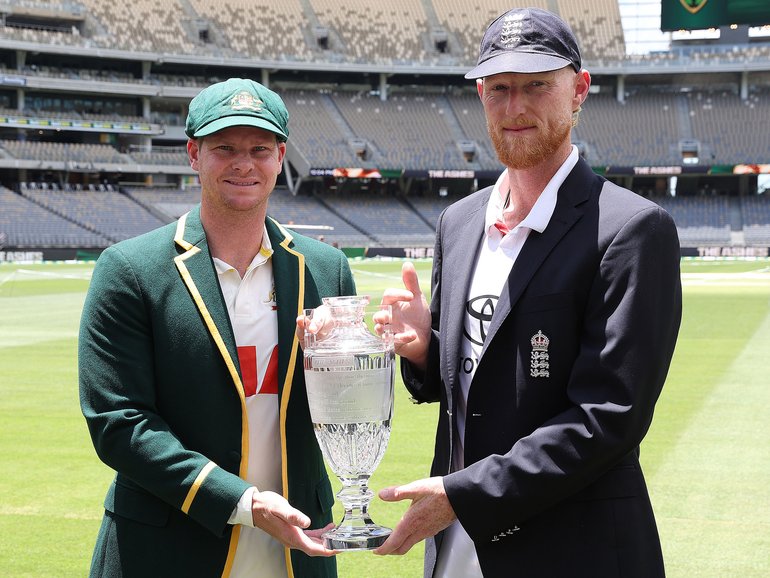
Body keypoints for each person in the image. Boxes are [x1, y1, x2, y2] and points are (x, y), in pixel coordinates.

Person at [373, 8, 682, 578]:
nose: (515, 107)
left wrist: (466, 495)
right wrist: (424, 350)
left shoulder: (632, 229)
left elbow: (607, 417)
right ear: (481, 96)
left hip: (573, 553)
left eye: (537, 85)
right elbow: (481, 385)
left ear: (579, 90)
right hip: (457, 555)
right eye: (499, 88)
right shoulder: (458, 223)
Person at [79, 78, 353, 577]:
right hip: (168, 551)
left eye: (260, 149)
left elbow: (347, 413)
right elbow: (119, 423)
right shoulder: (129, 269)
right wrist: (243, 502)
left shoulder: (326, 269)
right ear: (194, 154)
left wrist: (350, 361)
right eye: (224, 148)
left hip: (298, 549)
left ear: (280, 157)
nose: (244, 163)